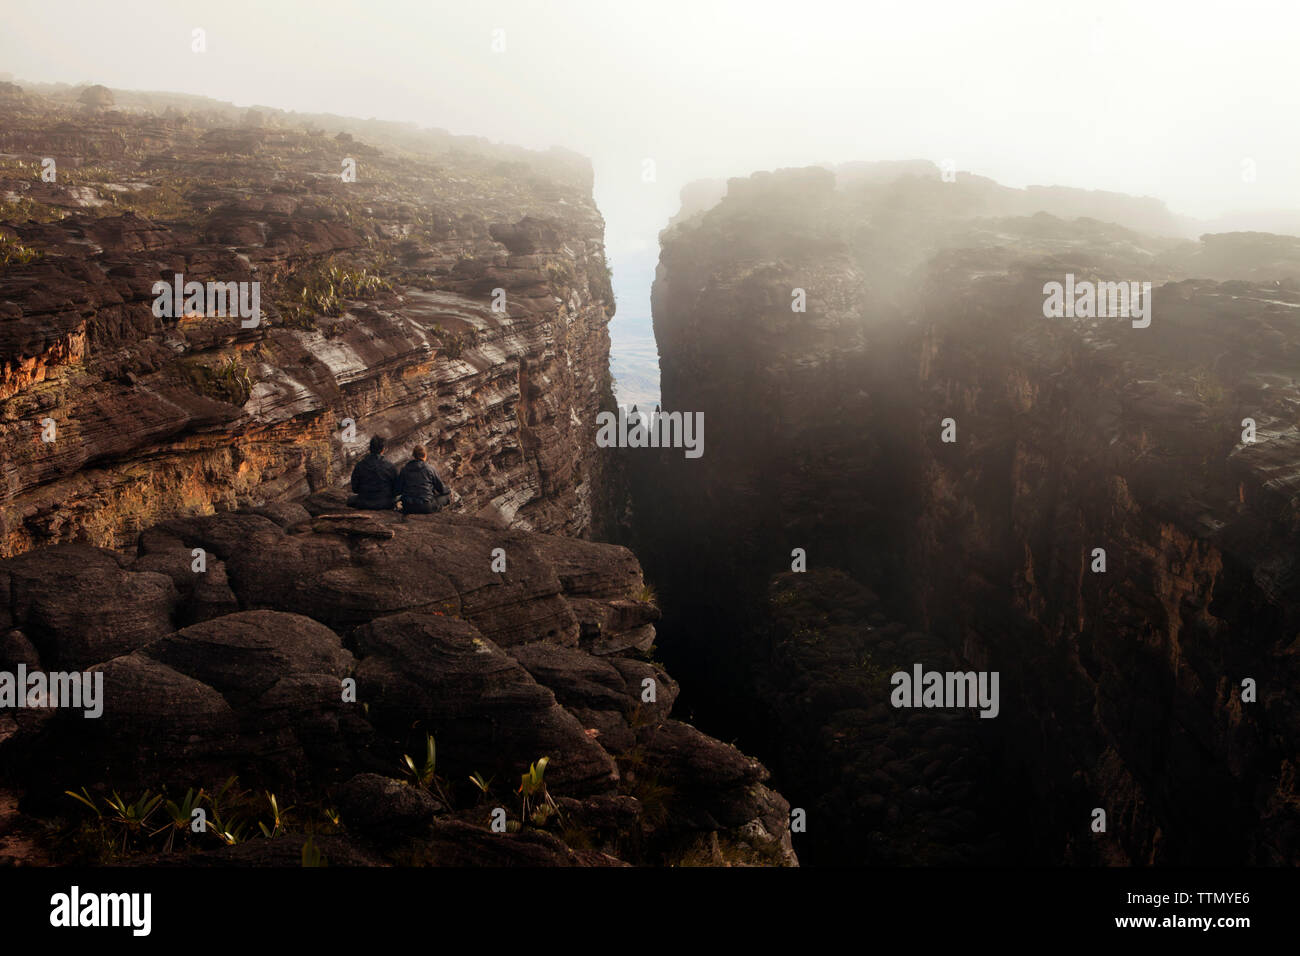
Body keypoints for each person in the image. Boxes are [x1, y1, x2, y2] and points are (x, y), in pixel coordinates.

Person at [347, 435, 398, 510]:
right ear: (383, 449)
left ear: (370, 448)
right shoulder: (390, 466)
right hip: (385, 503)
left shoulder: (360, 465)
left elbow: (355, 489)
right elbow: (396, 490)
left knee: (350, 499)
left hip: (364, 503)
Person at [397, 444, 450, 514]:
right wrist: (448, 490)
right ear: (425, 455)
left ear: (414, 455)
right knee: (446, 497)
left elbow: (399, 489)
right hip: (425, 507)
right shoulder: (430, 469)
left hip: (408, 506)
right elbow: (441, 489)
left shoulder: (404, 469)